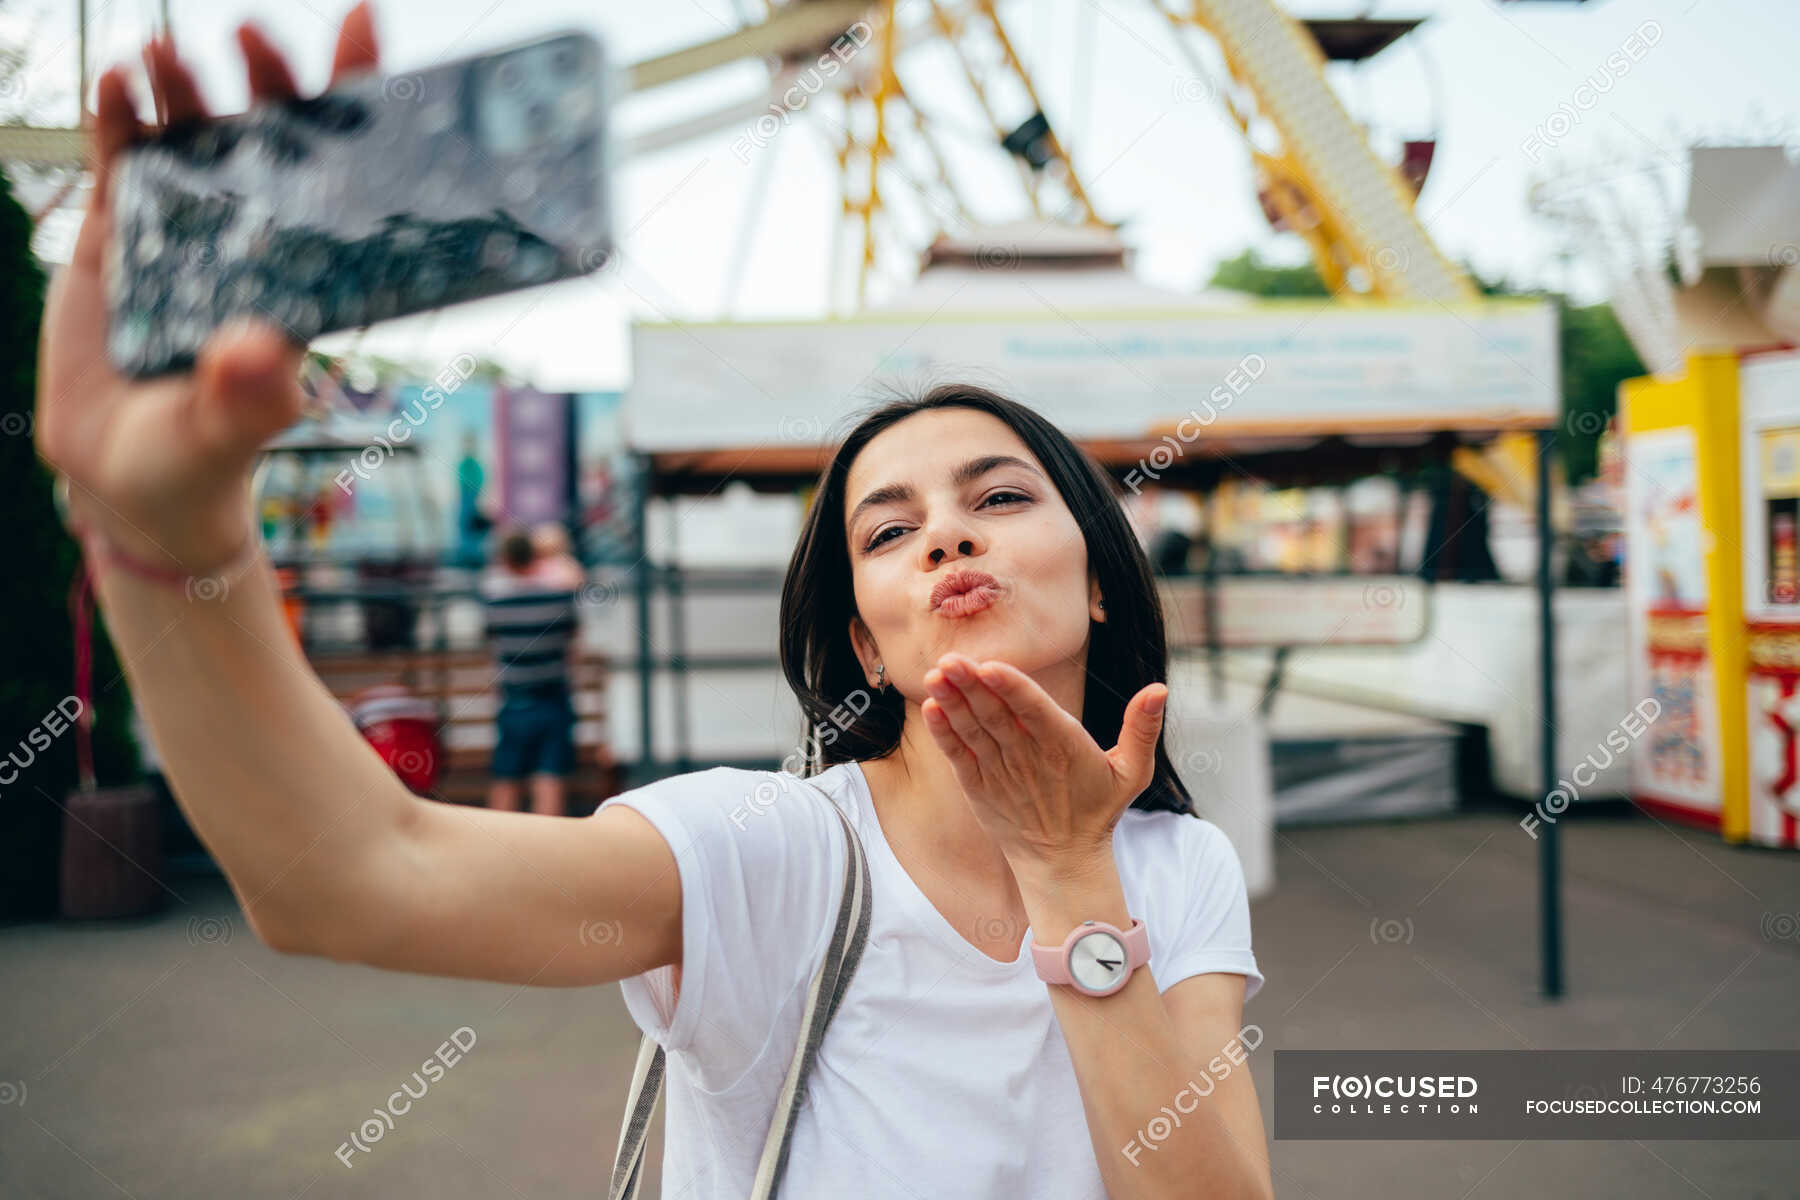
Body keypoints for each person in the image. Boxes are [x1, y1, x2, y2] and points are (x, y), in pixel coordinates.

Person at [32, 9, 1271, 1198]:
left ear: (1103, 580)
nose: (944, 530)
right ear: (866, 644)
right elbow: (353, 876)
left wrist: (1067, 876)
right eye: (887, 529)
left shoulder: (1176, 871)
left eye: (999, 498)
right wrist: (167, 536)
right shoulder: (769, 851)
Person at [482, 526, 580, 816]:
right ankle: (549, 851)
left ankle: (498, 849)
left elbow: (489, 643)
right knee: (549, 777)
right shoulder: (559, 601)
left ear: (506, 561)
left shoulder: (495, 604)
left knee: (506, 777)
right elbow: (574, 639)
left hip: (514, 699)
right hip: (553, 697)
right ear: (535, 557)